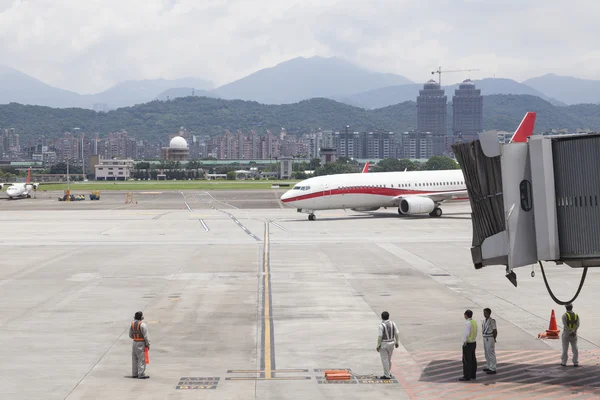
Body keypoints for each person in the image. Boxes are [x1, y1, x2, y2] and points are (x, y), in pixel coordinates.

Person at [376, 311, 399, 379]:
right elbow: (396, 333)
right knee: (389, 359)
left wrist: (378, 345)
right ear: (388, 316)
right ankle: (389, 372)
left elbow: (380, 336)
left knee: (385, 359)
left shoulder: (381, 326)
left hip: (384, 344)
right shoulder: (393, 323)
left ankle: (386, 375)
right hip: (391, 343)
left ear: (382, 317)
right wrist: (397, 342)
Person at [129, 311, 150, 379]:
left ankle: (134, 373)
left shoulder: (132, 324)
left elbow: (130, 335)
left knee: (134, 359)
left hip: (134, 342)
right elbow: (146, 336)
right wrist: (147, 344)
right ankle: (141, 374)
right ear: (141, 317)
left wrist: (135, 338)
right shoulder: (142, 325)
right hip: (141, 343)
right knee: (141, 359)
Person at [460, 309, 477, 381]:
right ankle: (473, 375)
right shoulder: (474, 322)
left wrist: (464, 342)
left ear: (466, 315)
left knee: (466, 360)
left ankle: (467, 376)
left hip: (468, 343)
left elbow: (466, 334)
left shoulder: (467, 323)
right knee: (473, 359)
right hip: (473, 342)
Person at [482, 308, 497, 374]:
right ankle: (488, 366)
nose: (484, 314)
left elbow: (495, 330)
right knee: (486, 353)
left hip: (490, 337)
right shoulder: (484, 321)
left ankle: (493, 368)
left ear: (489, 313)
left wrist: (494, 338)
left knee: (491, 353)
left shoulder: (492, 321)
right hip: (485, 337)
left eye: (485, 313)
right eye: (484, 313)